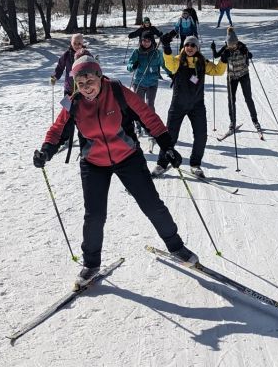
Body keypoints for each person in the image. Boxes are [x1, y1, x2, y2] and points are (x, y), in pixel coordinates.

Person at [33, 54, 198, 286]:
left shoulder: (118, 91)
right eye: (80, 83)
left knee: (151, 204)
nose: (86, 87)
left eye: (90, 80)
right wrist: (46, 150)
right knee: (94, 216)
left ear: (100, 76)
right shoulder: (73, 101)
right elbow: (57, 129)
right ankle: (91, 264)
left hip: (127, 157)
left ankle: (176, 246)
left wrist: (166, 145)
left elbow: (147, 116)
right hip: (93, 162)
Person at [157, 31, 226, 177]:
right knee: (170, 136)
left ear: (198, 48)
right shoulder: (178, 60)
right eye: (187, 44)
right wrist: (167, 47)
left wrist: (224, 60)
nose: (189, 47)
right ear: (184, 46)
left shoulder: (202, 62)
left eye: (193, 45)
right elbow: (169, 65)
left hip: (197, 105)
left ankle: (195, 164)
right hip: (178, 104)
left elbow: (217, 71)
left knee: (201, 136)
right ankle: (161, 164)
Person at [212, 27, 261, 136]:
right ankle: (232, 122)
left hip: (244, 75)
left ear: (237, 42)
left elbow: (250, 54)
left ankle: (255, 120)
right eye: (230, 45)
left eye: (234, 44)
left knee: (248, 98)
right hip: (231, 77)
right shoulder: (226, 49)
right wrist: (213, 49)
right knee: (231, 100)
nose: (232, 47)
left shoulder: (242, 46)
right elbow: (216, 56)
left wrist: (248, 54)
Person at [126, 31, 164, 144]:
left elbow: (163, 64)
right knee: (138, 105)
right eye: (143, 40)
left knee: (149, 105)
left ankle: (150, 126)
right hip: (139, 82)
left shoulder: (157, 53)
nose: (146, 43)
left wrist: (172, 74)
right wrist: (133, 66)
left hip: (152, 83)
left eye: (148, 40)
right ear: (141, 41)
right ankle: (138, 126)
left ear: (152, 41)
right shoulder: (137, 52)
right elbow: (129, 66)